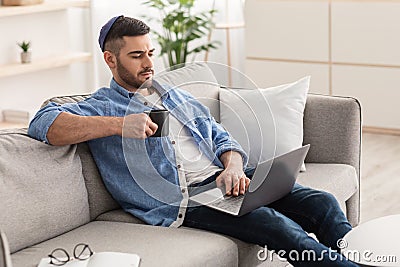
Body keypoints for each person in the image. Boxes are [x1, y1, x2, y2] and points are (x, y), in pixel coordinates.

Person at [28, 16, 358, 266]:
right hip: (183, 200)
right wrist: (118, 125)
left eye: (150, 53)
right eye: (136, 55)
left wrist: (233, 167)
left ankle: (367, 257)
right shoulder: (100, 106)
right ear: (110, 59)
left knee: (322, 203)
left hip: (225, 181)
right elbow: (43, 124)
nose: (148, 64)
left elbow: (221, 136)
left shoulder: (172, 94)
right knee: (279, 228)